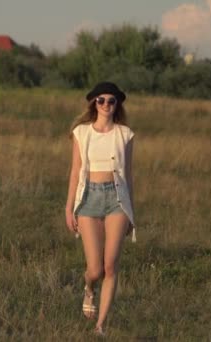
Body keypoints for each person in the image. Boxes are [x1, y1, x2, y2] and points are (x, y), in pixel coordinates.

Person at [65, 81, 136, 336]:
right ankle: (89, 289)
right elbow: (75, 172)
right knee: (94, 269)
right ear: (94, 103)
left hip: (117, 199)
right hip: (88, 199)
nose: (106, 104)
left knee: (110, 266)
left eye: (112, 100)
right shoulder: (81, 132)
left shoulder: (124, 134)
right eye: (101, 100)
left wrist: (131, 214)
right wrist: (69, 207)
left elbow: (128, 175)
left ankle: (100, 325)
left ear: (117, 105)